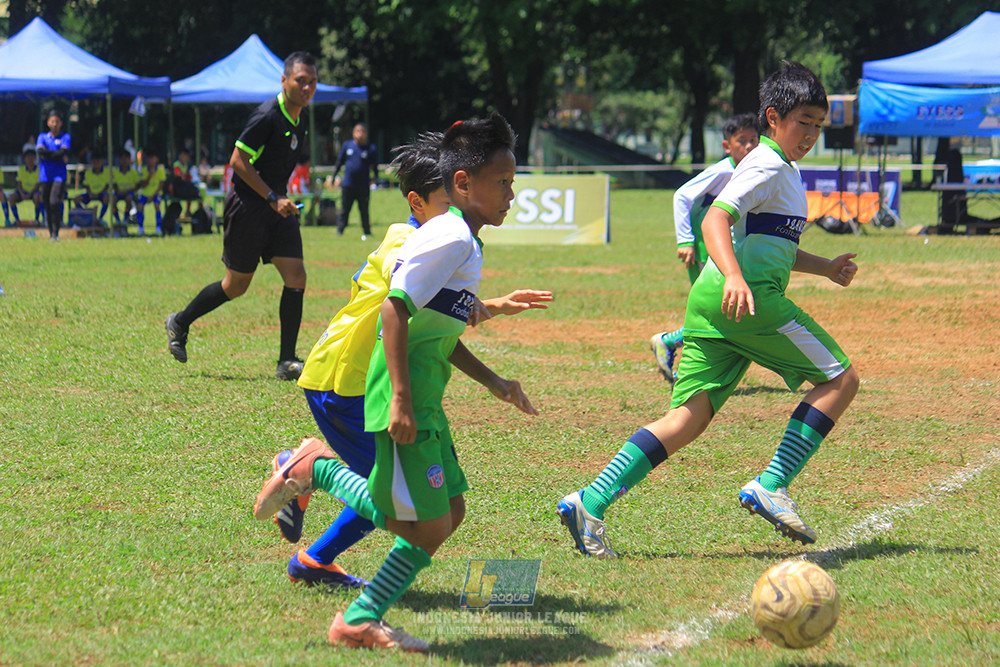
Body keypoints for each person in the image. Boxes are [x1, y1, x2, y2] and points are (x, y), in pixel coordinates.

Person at [557, 61, 860, 558]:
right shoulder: (765, 163)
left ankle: (590, 500)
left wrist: (824, 266)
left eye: (819, 126)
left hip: (712, 301)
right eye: (803, 121)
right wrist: (738, 278)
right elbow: (718, 217)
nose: (811, 134)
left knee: (688, 417)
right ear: (773, 116)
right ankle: (773, 483)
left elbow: (769, 243)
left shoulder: (780, 168)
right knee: (841, 380)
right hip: (748, 300)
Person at [253, 114, 534, 652]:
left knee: (448, 512)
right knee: (417, 525)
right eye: (503, 183)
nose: (512, 194)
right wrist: (401, 399)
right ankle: (321, 483)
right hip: (394, 395)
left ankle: (320, 504)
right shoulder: (446, 234)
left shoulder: (465, 242)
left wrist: (495, 380)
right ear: (462, 185)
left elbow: (437, 325)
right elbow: (393, 311)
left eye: (512, 182)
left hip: (425, 397)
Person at [165, 51, 318, 380]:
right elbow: (237, 162)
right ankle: (180, 321)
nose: (306, 87)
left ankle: (286, 361)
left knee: (296, 276)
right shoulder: (267, 116)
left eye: (312, 82)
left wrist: (281, 199)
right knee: (235, 286)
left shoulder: (300, 118)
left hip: (277, 206)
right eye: (300, 81)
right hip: (248, 206)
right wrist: (272, 197)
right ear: (284, 80)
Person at [650, 114, 759, 383]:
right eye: (741, 141)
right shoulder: (723, 170)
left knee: (721, 311)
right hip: (702, 248)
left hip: (721, 248)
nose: (748, 146)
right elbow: (681, 196)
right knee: (714, 310)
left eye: (753, 140)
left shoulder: (751, 169)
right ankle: (670, 343)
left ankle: (685, 355)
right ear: (727, 146)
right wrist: (685, 240)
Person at [333, 123, 378, 239]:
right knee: (344, 209)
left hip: (363, 185)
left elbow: (375, 165)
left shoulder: (370, 148)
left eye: (363, 131)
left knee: (364, 210)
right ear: (353, 133)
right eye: (358, 131)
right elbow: (339, 162)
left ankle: (367, 231)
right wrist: (334, 176)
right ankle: (340, 230)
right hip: (348, 184)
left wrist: (376, 179)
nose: (360, 134)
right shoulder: (347, 146)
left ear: (366, 134)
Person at [36, 109, 71, 241]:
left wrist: (48, 154)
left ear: (61, 123)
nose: (55, 124)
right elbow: (40, 151)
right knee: (46, 203)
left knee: (54, 202)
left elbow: (62, 153)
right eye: (52, 121)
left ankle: (56, 231)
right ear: (48, 122)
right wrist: (55, 154)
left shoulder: (65, 137)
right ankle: (51, 233)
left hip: (59, 176)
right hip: (45, 176)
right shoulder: (42, 137)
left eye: (57, 121)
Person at [72, 151, 111, 224]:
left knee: (106, 198)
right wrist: (90, 193)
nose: (96, 163)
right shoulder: (88, 172)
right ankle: (87, 216)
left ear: (102, 161)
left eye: (98, 161)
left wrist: (98, 193)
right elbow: (87, 186)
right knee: (76, 199)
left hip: (102, 194)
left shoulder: (106, 172)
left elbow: (107, 186)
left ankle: (100, 219)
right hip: (90, 194)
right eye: (94, 161)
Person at [135, 148, 167, 235]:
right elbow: (143, 184)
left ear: (156, 159)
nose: (150, 160)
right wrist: (150, 176)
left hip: (156, 193)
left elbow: (161, 186)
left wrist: (152, 196)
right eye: (148, 158)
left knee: (157, 204)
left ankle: (158, 227)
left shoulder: (160, 170)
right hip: (145, 193)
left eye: (152, 158)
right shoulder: (144, 170)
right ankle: (141, 227)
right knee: (139, 205)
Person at [10, 149, 44, 225]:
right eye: (27, 157)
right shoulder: (21, 169)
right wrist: (21, 193)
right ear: (24, 159)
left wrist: (30, 193)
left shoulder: (39, 170)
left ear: (35, 158)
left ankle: (37, 219)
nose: (29, 159)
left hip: (34, 192)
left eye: (31, 157)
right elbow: (19, 183)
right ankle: (17, 219)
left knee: (37, 196)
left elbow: (38, 184)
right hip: (23, 191)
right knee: (11, 197)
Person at [111, 149, 140, 226]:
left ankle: (125, 219)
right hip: (119, 192)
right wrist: (117, 190)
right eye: (122, 159)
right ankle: (117, 220)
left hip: (130, 193)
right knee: (112, 199)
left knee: (129, 198)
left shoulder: (133, 172)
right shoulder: (116, 172)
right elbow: (114, 184)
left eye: (126, 158)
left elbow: (137, 185)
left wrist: (127, 191)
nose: (124, 161)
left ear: (129, 159)